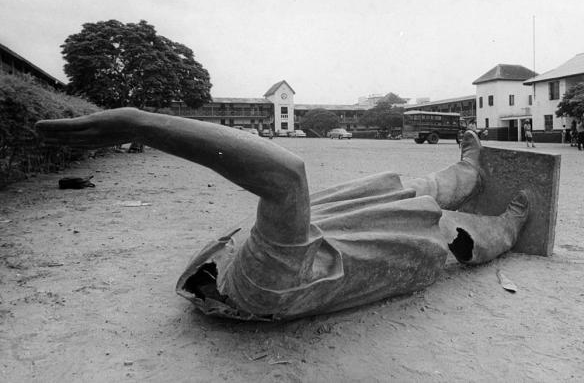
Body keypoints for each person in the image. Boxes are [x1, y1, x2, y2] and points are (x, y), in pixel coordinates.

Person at [36, 108, 529, 321]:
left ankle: (468, 175)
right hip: (380, 250)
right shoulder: (268, 281)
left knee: (403, 191)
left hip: (328, 241)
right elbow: (285, 174)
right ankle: (489, 200)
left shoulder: (248, 275)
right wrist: (139, 124)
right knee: (460, 233)